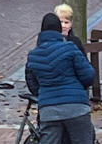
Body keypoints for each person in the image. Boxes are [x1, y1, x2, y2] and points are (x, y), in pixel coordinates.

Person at [26, 13, 96, 144]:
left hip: (49, 110)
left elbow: (33, 86)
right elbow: (88, 75)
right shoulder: (70, 48)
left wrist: (45, 95)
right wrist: (79, 88)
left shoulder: (33, 56)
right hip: (76, 106)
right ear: (59, 30)